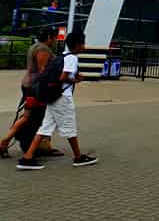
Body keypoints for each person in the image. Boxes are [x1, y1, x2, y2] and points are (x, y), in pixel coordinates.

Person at [17, 31, 98, 170]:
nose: (84, 46)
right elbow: (62, 78)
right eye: (83, 43)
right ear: (77, 45)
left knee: (45, 128)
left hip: (52, 97)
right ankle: (78, 157)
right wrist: (75, 80)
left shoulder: (63, 56)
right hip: (62, 98)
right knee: (70, 128)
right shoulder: (72, 58)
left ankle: (27, 157)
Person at [1, 27, 62, 158]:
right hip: (36, 88)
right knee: (30, 117)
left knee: (35, 117)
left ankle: (43, 145)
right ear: (49, 37)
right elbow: (43, 71)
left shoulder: (35, 46)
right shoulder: (42, 49)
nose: (56, 40)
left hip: (31, 85)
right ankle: (4, 143)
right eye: (55, 37)